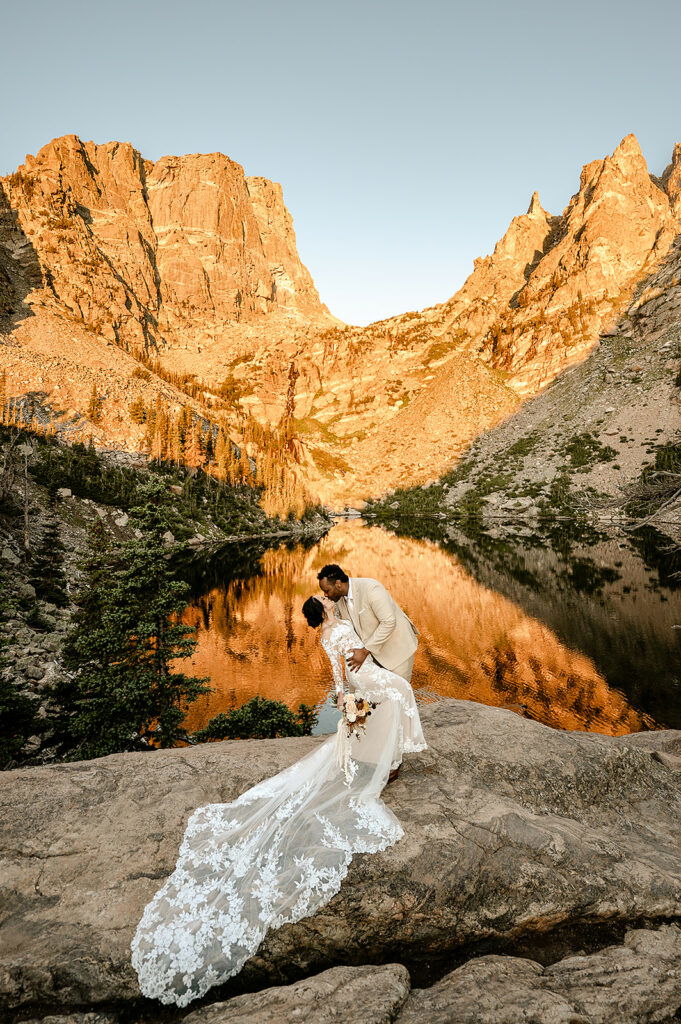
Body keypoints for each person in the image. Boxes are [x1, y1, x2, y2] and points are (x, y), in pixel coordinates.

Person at [130, 593, 426, 1009]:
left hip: (363, 679)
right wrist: (347, 694)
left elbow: (343, 666)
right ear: (323, 610)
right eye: (324, 599)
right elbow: (345, 665)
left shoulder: (331, 629)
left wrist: (346, 695)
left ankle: (385, 757)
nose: (328, 598)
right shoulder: (335, 629)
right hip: (368, 679)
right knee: (400, 691)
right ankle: (389, 759)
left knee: (393, 695)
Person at [317, 564, 419, 684]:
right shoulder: (338, 600)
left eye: (326, 590)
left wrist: (365, 651)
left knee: (399, 693)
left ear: (338, 584)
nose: (325, 595)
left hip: (397, 651)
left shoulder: (371, 589)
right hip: (373, 658)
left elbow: (389, 622)